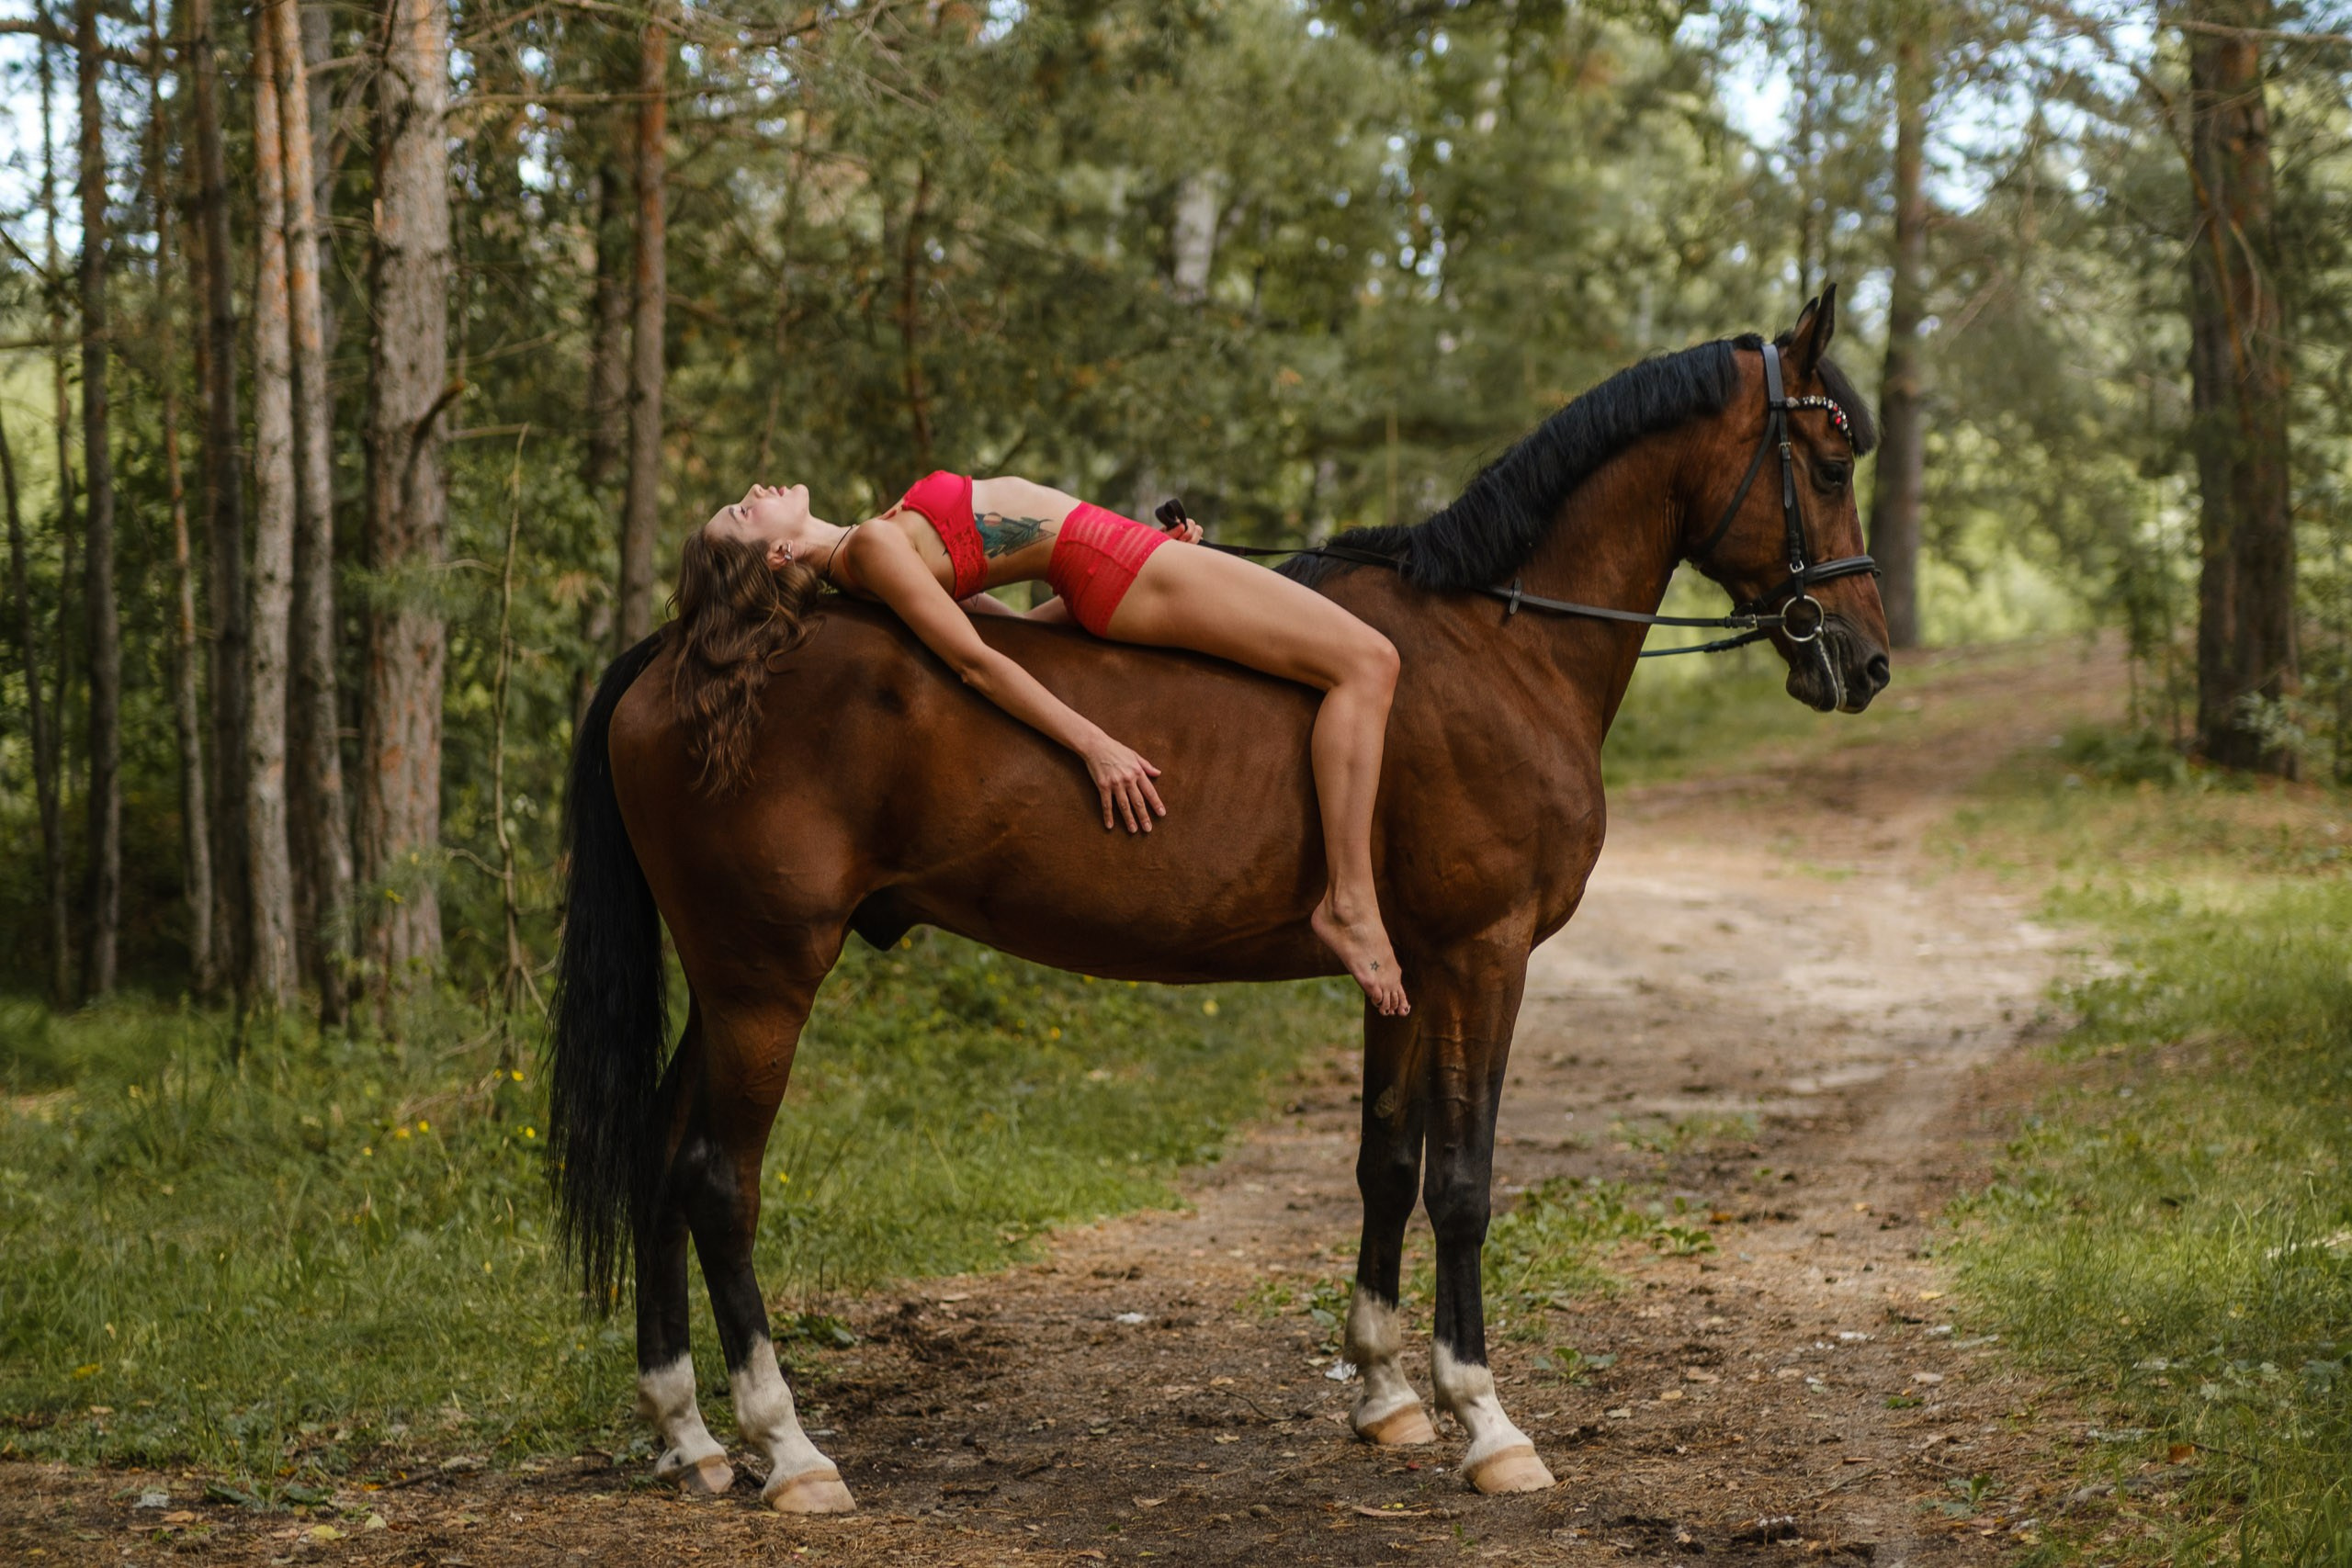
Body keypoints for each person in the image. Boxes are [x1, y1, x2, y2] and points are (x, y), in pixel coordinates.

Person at [673, 473, 1408, 1016]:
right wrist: (1094, 745)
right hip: (1118, 569)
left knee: (1358, 659)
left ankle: (1349, 896)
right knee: (1368, 662)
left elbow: (1021, 634)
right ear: (775, 556)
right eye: (744, 510)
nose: (754, 489)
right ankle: (1349, 900)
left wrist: (1158, 552)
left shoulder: (870, 561)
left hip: (1116, 564)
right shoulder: (871, 550)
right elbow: (978, 662)